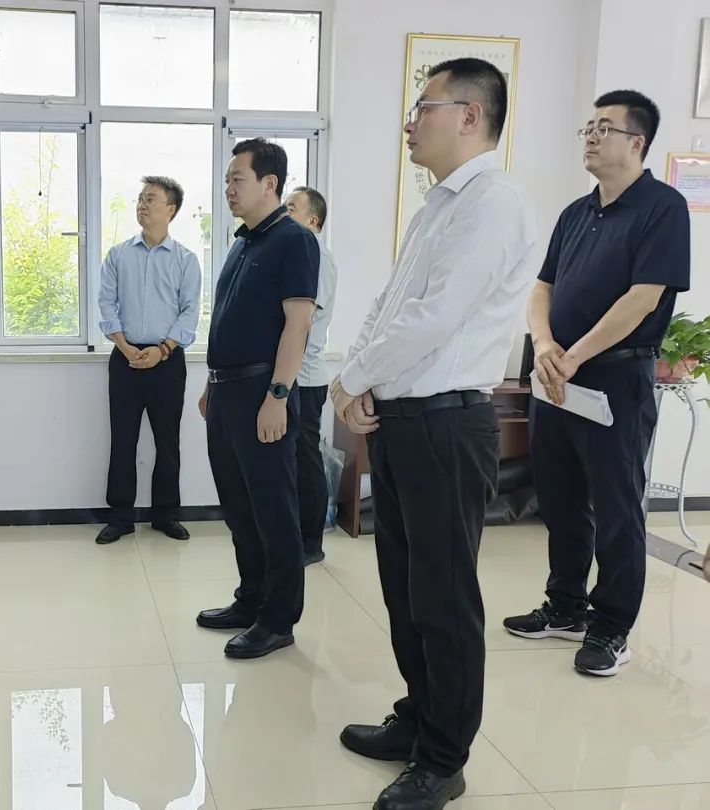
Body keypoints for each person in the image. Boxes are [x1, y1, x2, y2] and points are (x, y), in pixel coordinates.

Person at [330, 59, 536, 809]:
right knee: (405, 590)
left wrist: (355, 380)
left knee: (443, 599)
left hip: (448, 425)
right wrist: (354, 377)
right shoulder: (436, 207)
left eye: (424, 107)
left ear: (470, 116)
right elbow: (389, 305)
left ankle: (444, 759)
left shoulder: (495, 203)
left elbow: (435, 318)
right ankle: (419, 718)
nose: (410, 122)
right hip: (406, 422)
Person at [504, 90, 690, 677]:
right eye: (588, 126)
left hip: (616, 379)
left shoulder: (662, 208)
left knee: (616, 508)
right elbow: (542, 288)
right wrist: (545, 347)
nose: (590, 135)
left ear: (637, 143)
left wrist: (574, 356)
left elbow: (643, 298)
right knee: (559, 499)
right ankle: (565, 606)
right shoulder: (576, 213)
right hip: (557, 376)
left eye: (604, 127)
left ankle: (611, 628)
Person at [196, 138, 319, 660]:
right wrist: (212, 383)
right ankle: (250, 599)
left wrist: (278, 396)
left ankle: (278, 618)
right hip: (226, 391)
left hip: (262, 392)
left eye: (237, 179)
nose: (228, 188)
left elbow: (298, 325)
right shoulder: (243, 242)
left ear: (270, 184)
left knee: (273, 509)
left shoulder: (294, 240)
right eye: (227, 179)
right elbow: (232, 320)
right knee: (239, 506)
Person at [96, 176, 202, 545]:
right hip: (124, 358)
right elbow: (106, 304)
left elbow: (190, 312)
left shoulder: (186, 261)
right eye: (140, 199)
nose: (142, 204)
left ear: (170, 209)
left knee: (167, 441)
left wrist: (163, 349)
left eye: (151, 199)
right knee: (122, 440)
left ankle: (166, 515)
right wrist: (125, 347)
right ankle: (120, 517)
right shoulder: (118, 255)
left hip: (167, 361)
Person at [285, 186, 339, 566]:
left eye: (292, 208)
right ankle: (293, 538)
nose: (284, 214)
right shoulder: (297, 254)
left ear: (313, 220)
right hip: (292, 376)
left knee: (306, 461)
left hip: (305, 378)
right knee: (291, 461)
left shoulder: (318, 256)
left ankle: (310, 544)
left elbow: (302, 321)